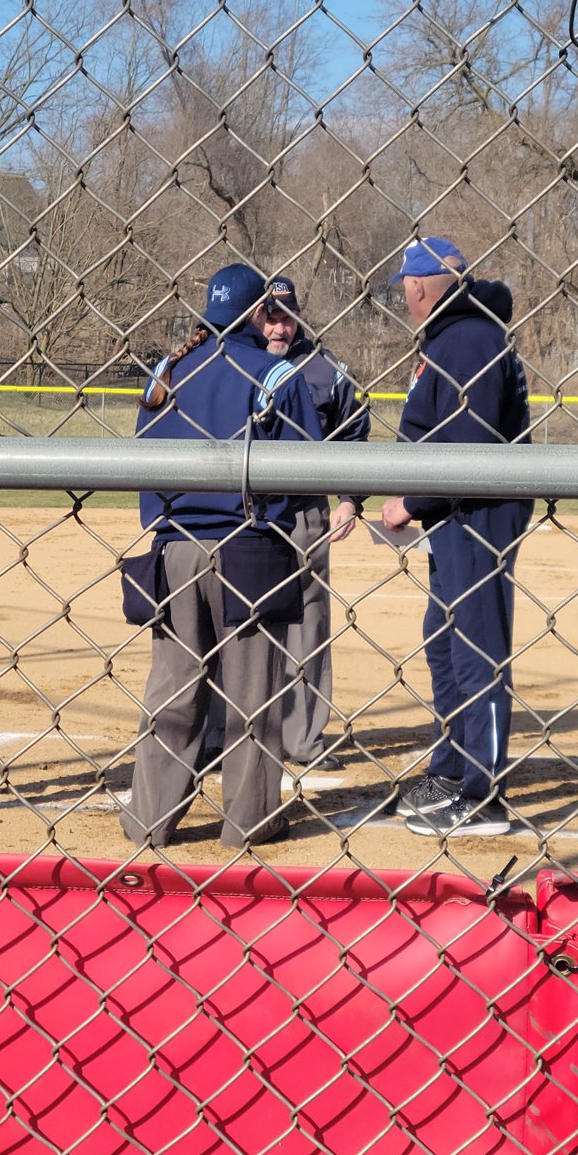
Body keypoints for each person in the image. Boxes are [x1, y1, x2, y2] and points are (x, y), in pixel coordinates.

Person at [123, 263, 323, 849]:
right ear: (259, 313)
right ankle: (248, 821)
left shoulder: (169, 370)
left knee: (174, 688)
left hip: (174, 549)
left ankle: (149, 819)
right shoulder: (276, 373)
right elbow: (305, 469)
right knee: (251, 694)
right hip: (249, 549)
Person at [379, 238, 535, 838]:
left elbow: (467, 445)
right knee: (444, 642)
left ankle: (482, 793)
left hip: (478, 513)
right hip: (456, 513)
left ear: (421, 286)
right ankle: (451, 770)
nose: (406, 297)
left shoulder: (468, 337)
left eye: (406, 287)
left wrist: (411, 501)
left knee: (476, 650)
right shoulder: (455, 335)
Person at [252, 276, 369, 764]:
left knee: (308, 623)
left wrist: (348, 499)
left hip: (303, 511)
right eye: (269, 316)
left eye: (285, 316)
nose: (278, 327)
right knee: (238, 621)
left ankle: (303, 740)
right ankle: (229, 733)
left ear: (298, 317)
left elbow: (354, 436)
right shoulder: (236, 359)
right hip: (245, 511)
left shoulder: (328, 370)